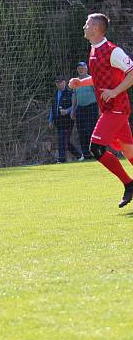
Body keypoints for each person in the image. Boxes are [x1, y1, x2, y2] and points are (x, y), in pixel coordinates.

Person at [69, 13, 133, 207]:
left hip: (117, 109)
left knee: (95, 148)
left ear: (96, 28)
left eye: (87, 24)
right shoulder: (94, 50)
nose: (84, 27)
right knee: (129, 152)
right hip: (108, 110)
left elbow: (132, 73)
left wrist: (114, 91)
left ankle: (129, 184)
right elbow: (98, 78)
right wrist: (81, 82)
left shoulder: (113, 51)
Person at [70, 61, 99, 160]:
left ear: (86, 68)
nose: (80, 70)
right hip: (80, 109)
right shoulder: (75, 81)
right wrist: (73, 110)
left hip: (92, 107)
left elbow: (97, 94)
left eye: (82, 68)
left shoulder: (91, 79)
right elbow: (74, 95)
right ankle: (86, 155)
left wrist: (100, 108)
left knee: (91, 130)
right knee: (81, 132)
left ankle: (96, 153)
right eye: (79, 68)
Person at [48, 76, 80, 163]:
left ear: (65, 82)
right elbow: (52, 108)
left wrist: (67, 111)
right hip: (58, 121)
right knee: (65, 141)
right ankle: (79, 156)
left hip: (67, 121)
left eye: (60, 82)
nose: (59, 84)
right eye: (57, 82)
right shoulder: (54, 94)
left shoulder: (70, 93)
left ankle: (61, 159)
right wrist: (50, 120)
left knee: (62, 140)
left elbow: (75, 105)